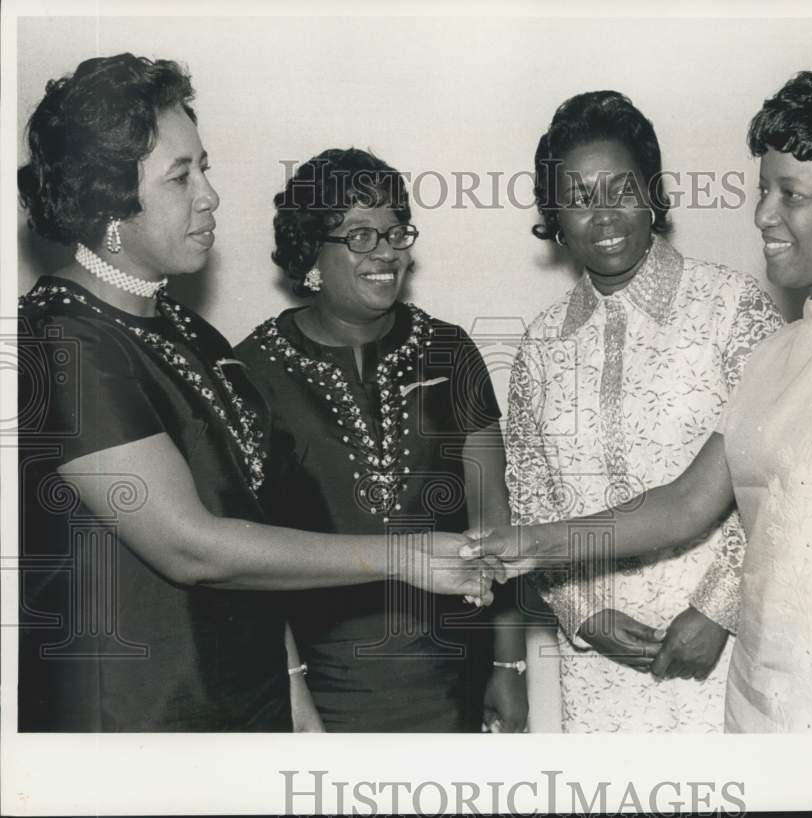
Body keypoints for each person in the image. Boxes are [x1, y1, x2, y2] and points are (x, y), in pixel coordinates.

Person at [468, 61, 812, 733]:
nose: (762, 215)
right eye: (762, 190)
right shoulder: (781, 351)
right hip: (755, 712)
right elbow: (682, 505)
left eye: (789, 195)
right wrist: (522, 545)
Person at [16, 54, 495, 732]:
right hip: (138, 725)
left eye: (203, 166)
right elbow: (193, 547)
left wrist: (294, 692)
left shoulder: (195, 334)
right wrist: (404, 554)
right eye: (182, 176)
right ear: (107, 202)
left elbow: (255, 530)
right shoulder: (59, 339)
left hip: (246, 709)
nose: (209, 194)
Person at [504, 90, 783, 732]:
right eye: (577, 197)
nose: (602, 216)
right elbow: (533, 502)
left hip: (727, 645)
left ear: (653, 194)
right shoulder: (540, 344)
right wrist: (584, 614)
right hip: (600, 667)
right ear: (554, 213)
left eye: (621, 189)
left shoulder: (733, 308)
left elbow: (775, 476)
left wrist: (719, 608)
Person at [234, 148, 528, 732]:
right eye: (361, 236)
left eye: (396, 231)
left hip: (453, 678)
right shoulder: (251, 371)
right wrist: (292, 696)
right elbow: (251, 558)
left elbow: (494, 516)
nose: (387, 252)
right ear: (310, 253)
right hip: (323, 689)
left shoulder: (452, 350)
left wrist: (509, 660)